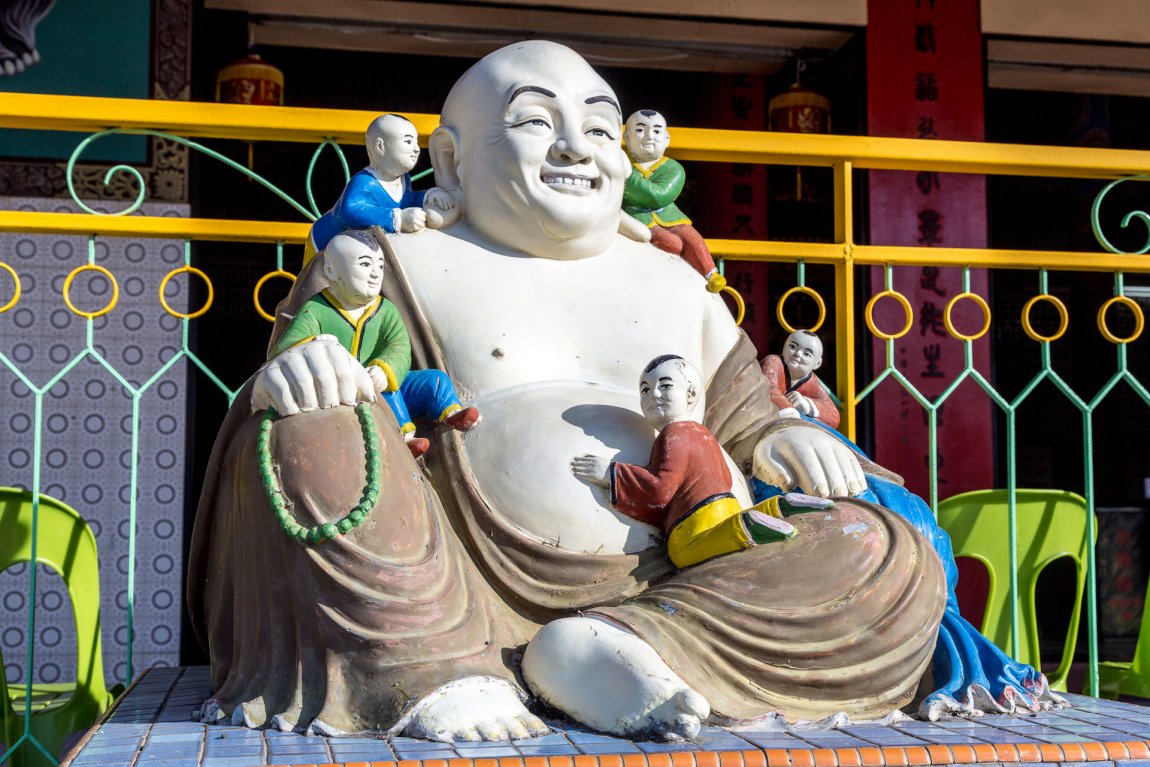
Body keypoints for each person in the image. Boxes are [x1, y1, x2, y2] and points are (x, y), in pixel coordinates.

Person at [189, 41, 1059, 745]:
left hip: (691, 566)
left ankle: (630, 645)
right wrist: (307, 372)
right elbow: (314, 368)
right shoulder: (398, 257)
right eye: (536, 123)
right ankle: (430, 667)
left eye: (599, 129)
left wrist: (776, 437)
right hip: (451, 583)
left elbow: (742, 412)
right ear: (448, 158)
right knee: (307, 422)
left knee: (878, 546)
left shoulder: (673, 281)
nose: (577, 148)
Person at [573, 354, 837, 568]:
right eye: (645, 389)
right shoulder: (705, 434)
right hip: (727, 504)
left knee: (682, 553)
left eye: (665, 386)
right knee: (723, 530)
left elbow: (660, 491)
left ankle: (745, 527)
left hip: (694, 520)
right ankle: (779, 506)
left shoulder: (671, 435)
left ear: (690, 394)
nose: (653, 395)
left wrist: (611, 474)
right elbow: (725, 477)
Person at [270, 229, 478, 458]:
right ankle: (405, 438)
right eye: (365, 264)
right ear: (331, 270)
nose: (375, 274)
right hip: (347, 392)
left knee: (434, 379)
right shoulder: (316, 309)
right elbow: (288, 347)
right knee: (386, 391)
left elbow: (399, 348)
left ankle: (452, 414)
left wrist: (385, 368)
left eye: (380, 266)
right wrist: (318, 345)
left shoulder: (386, 310)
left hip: (385, 377)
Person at [305, 114, 455, 264]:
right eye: (408, 141)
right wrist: (398, 218)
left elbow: (405, 200)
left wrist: (428, 196)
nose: (416, 149)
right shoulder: (365, 182)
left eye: (416, 142)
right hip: (325, 248)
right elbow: (351, 211)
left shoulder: (403, 179)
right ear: (380, 146)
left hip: (366, 253)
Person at [622, 109, 726, 294]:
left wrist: (629, 178)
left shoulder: (673, 168)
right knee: (673, 243)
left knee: (690, 235)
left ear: (666, 139)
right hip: (637, 219)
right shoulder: (621, 163)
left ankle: (710, 273)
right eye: (639, 130)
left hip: (669, 215)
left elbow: (658, 196)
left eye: (656, 131)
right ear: (627, 138)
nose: (649, 137)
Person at [761, 329, 841, 429]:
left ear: (817, 364)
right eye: (792, 347)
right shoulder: (773, 362)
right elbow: (767, 389)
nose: (798, 354)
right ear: (784, 347)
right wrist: (789, 411)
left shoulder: (812, 382)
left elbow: (833, 416)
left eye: (806, 354)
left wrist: (807, 405)